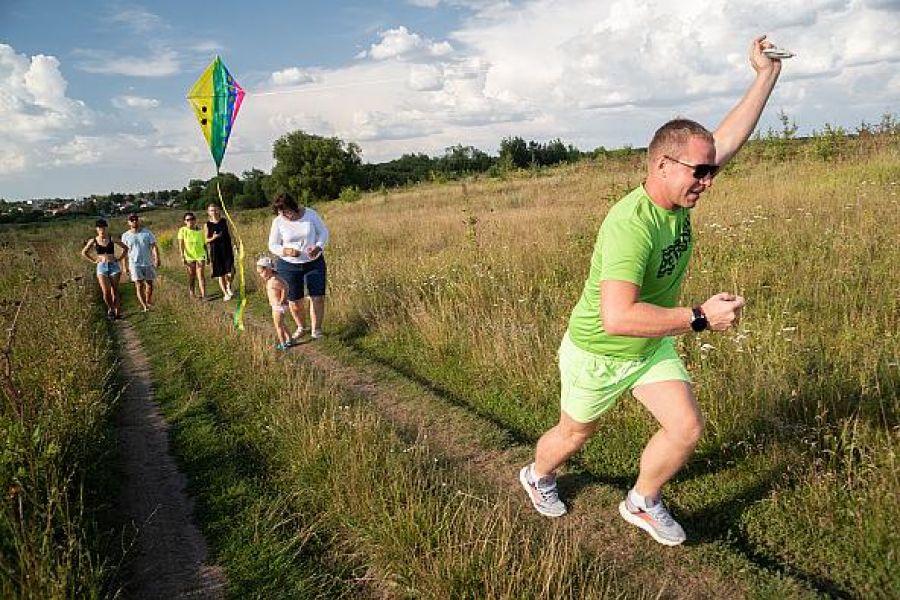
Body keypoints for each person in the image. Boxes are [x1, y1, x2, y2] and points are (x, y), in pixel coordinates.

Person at [519, 36, 784, 546]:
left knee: (685, 429)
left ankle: (641, 501)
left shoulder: (680, 194)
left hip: (650, 344)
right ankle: (537, 475)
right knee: (575, 434)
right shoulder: (630, 226)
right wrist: (700, 318)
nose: (709, 181)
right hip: (600, 350)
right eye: (699, 172)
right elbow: (617, 316)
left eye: (711, 171)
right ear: (663, 165)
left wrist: (765, 74)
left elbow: (726, 140)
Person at [267, 193, 329, 341]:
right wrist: (285, 251)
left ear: (293, 206)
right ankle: (301, 327)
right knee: (294, 301)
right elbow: (272, 244)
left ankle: (317, 330)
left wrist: (318, 247)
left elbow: (323, 233)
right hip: (288, 265)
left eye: (286, 211)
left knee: (318, 297)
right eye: (280, 212)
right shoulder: (278, 222)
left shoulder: (310, 214)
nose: (284, 215)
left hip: (314, 262)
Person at [80, 218, 128, 318]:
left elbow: (125, 248)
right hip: (101, 266)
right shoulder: (93, 240)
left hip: (113, 265)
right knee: (105, 291)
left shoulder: (111, 238)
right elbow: (84, 252)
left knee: (114, 290)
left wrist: (119, 259)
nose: (102, 229)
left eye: (103, 227)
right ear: (96, 229)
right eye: (100, 227)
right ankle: (111, 308)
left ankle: (117, 312)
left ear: (106, 228)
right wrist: (94, 260)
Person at [121, 213, 161, 312]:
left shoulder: (147, 233)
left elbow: (153, 246)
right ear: (128, 222)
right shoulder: (125, 236)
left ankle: (148, 300)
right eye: (132, 219)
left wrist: (157, 258)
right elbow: (124, 252)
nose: (134, 221)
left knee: (149, 284)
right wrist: (124, 266)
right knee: (139, 285)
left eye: (136, 219)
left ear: (138, 220)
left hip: (147, 262)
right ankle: (144, 306)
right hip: (134, 264)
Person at [256, 256, 292, 350]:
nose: (260, 275)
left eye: (261, 272)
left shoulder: (274, 280)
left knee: (278, 326)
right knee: (282, 324)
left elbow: (285, 287)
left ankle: (283, 343)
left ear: (268, 270)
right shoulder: (273, 279)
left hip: (278, 306)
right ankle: (290, 339)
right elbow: (284, 286)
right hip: (277, 306)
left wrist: (282, 299)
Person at [205, 203, 235, 301]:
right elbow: (206, 240)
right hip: (216, 250)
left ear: (219, 210)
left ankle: (228, 285)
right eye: (211, 210)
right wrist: (213, 238)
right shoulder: (207, 225)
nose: (214, 212)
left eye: (215, 210)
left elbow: (231, 234)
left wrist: (235, 245)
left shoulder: (224, 221)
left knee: (231, 271)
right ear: (208, 212)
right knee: (220, 273)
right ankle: (225, 293)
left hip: (227, 249)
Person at [177, 212, 208, 300]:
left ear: (195, 220)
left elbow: (204, 245)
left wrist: (208, 256)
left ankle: (204, 295)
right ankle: (192, 293)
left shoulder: (200, 231)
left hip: (200, 255)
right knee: (192, 275)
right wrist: (182, 256)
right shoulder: (182, 230)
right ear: (185, 221)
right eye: (188, 220)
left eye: (192, 219)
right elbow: (181, 244)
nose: (190, 221)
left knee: (201, 275)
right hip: (189, 256)